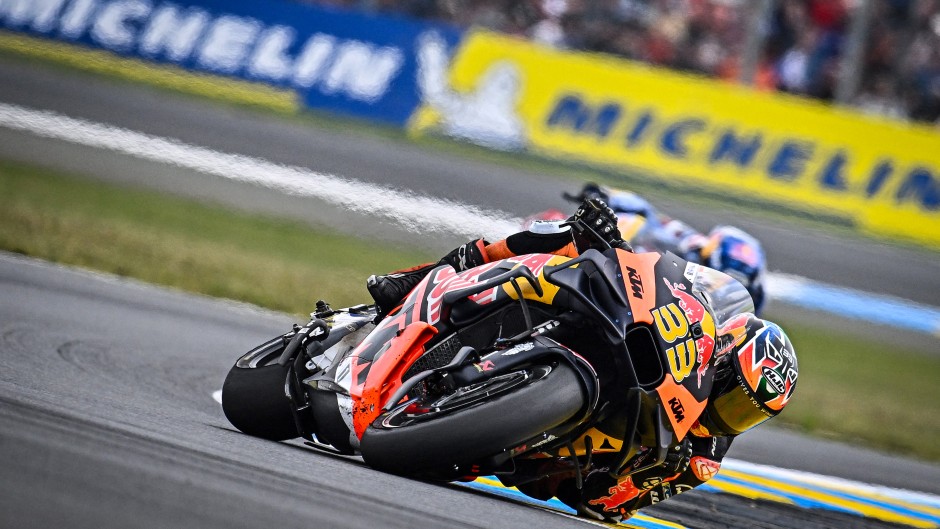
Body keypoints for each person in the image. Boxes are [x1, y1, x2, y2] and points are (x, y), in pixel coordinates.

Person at [366, 197, 797, 523]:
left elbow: (611, 509)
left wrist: (622, 483)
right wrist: (611, 242)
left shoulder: (702, 456)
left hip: (548, 461)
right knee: (565, 235)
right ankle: (419, 278)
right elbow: (665, 280)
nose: (730, 414)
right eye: (733, 396)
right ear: (724, 354)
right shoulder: (699, 334)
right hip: (621, 343)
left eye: (745, 415)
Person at [549, 182, 769, 316]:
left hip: (631, 304)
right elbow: (646, 214)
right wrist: (609, 196)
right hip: (615, 261)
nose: (718, 285)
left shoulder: (741, 309)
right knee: (557, 221)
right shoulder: (686, 240)